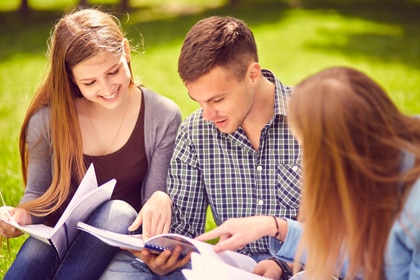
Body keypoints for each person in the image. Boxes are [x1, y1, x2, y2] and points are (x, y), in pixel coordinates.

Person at [102, 15, 302, 280]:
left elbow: (346, 230)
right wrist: (164, 254)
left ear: (252, 75)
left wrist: (283, 265)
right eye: (198, 101)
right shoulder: (196, 133)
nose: (208, 115)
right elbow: (184, 230)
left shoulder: (317, 120)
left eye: (217, 99)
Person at [0, 7, 181, 280]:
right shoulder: (47, 121)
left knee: (118, 211)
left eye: (113, 71)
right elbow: (38, 198)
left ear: (126, 52)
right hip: (57, 241)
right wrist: (20, 217)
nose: (107, 89)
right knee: (37, 251)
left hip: (122, 245)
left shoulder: (162, 116)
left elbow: (153, 204)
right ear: (71, 78)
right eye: (90, 82)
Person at [197, 66, 420, 280]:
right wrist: (275, 226)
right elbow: (367, 258)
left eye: (310, 149)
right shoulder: (385, 166)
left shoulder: (414, 213)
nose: (306, 160)